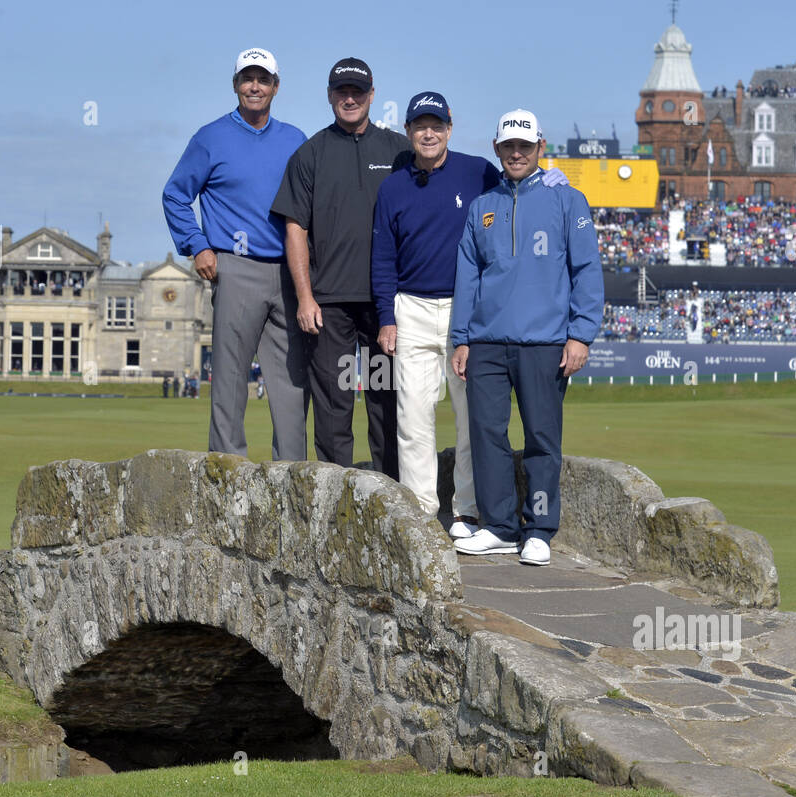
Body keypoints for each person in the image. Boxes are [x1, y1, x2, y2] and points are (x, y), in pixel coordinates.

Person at [371, 91, 569, 539]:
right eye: (420, 125)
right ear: (408, 131)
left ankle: (466, 510)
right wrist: (387, 316)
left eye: (436, 125)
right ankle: (422, 512)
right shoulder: (393, 186)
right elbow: (382, 257)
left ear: (449, 129)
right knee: (413, 415)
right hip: (411, 309)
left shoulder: (476, 170)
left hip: (468, 312)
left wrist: (555, 178)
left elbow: (517, 186)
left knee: (471, 417)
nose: (428, 132)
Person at [449, 109, 604, 566]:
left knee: (541, 437)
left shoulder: (567, 200)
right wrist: (462, 337)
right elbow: (468, 277)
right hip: (488, 343)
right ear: (496, 148)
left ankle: (538, 528)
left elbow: (586, 270)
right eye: (508, 146)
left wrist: (581, 335)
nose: (516, 153)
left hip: (546, 343)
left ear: (540, 148)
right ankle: (498, 526)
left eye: (525, 146)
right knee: (486, 433)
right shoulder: (482, 206)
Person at [162, 47, 309, 460]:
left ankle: (292, 475)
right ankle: (228, 474)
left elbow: (311, 204)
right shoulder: (210, 138)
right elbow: (175, 194)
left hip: (288, 273)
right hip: (235, 269)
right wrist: (198, 245)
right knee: (228, 379)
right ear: (235, 85)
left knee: (292, 383)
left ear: (276, 87)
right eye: (248, 79)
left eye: (263, 79)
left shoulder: (295, 139)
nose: (255, 87)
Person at [272, 57, 411, 477]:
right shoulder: (309, 153)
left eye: (357, 92)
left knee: (385, 399)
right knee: (334, 401)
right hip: (328, 304)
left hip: (383, 304)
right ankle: (335, 498)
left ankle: (389, 495)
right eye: (341, 92)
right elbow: (295, 228)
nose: (349, 99)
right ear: (330, 96)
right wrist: (305, 297)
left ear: (372, 95)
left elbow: (441, 182)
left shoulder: (399, 150)